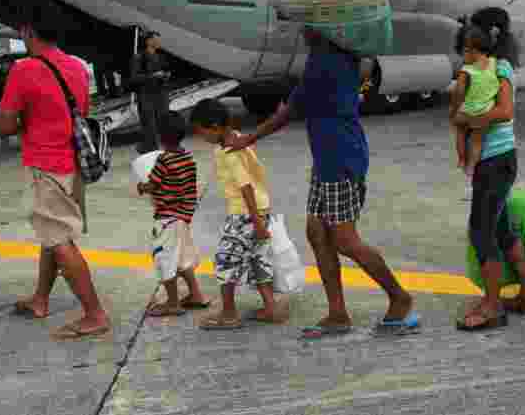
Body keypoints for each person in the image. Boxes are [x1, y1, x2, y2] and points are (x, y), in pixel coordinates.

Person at [224, 27, 417, 338]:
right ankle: (338, 313)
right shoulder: (331, 56)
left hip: (340, 161)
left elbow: (289, 111)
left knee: (345, 240)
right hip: (327, 161)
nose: (301, 30)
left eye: (307, 25)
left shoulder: (326, 62)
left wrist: (249, 138)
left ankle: (400, 297)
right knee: (317, 233)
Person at [0, 11, 110, 339]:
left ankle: (94, 314)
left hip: (46, 164)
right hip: (74, 164)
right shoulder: (76, 66)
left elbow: (6, 125)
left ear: (28, 32)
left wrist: (5, 118)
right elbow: (80, 113)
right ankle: (40, 299)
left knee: (59, 240)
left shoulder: (24, 69)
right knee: (54, 234)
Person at [452, 8, 525, 331]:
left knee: (481, 231)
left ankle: (492, 306)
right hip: (493, 159)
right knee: (502, 229)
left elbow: (504, 111)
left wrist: (468, 119)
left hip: (496, 159)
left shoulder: (500, 67)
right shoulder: (489, 66)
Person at [191, 99, 285, 329]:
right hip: (260, 209)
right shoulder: (239, 139)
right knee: (256, 258)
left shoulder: (228, 151)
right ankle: (271, 307)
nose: (201, 138)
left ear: (214, 127)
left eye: (201, 132)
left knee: (225, 260)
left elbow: (245, 186)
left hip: (245, 214)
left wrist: (255, 221)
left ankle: (229, 314)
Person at [137, 112, 209, 317]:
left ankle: (173, 302)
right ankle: (196, 295)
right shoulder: (188, 157)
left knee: (165, 259)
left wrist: (142, 187)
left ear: (161, 136)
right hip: (182, 217)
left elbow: (152, 184)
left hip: (166, 218)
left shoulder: (164, 160)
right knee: (182, 259)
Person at [450, 25, 501, 199]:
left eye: (464, 52)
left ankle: (461, 159)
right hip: (486, 111)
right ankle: (472, 167)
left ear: (471, 50)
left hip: (469, 109)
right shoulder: (493, 63)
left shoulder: (467, 70)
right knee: (477, 141)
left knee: (459, 129)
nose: (463, 56)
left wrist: (455, 110)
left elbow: (458, 91)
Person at [130, 30, 172, 154]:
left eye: (159, 40)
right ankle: (151, 149)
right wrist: (152, 76)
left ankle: (164, 147)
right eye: (156, 40)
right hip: (146, 95)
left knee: (163, 122)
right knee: (149, 124)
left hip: (161, 94)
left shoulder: (161, 56)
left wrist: (166, 75)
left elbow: (165, 71)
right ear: (148, 41)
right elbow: (134, 78)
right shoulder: (138, 57)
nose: (158, 42)